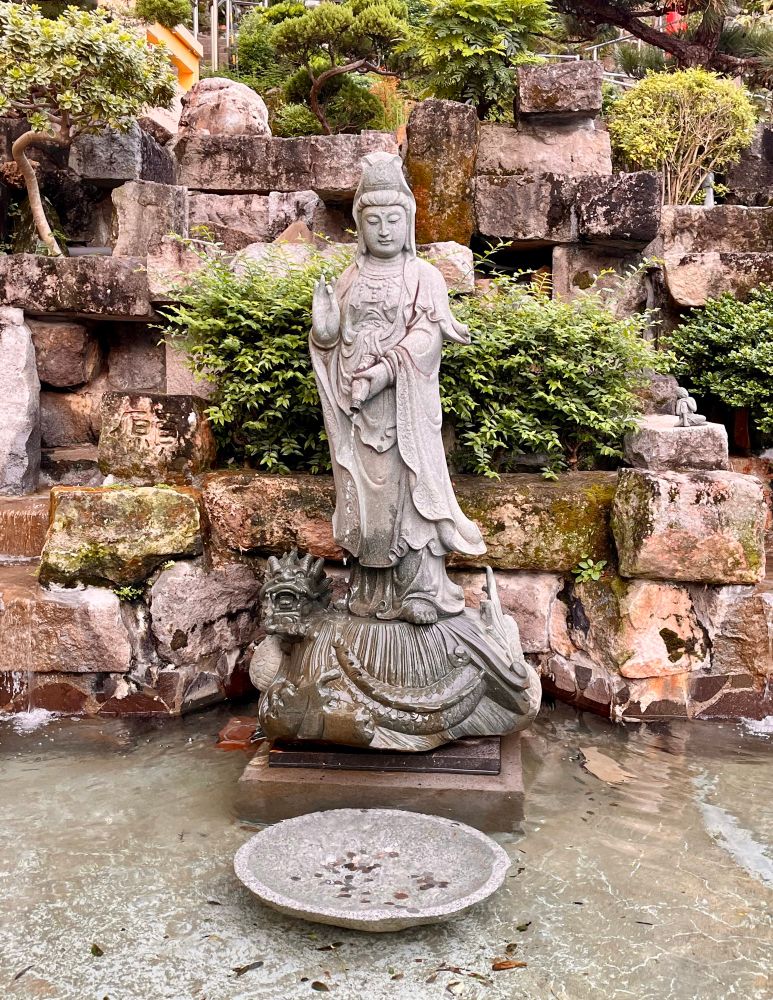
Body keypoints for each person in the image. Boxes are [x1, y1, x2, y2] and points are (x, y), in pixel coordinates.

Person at [310, 152, 485, 625]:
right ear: (359, 226)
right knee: (369, 501)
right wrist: (325, 330)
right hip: (360, 413)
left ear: (407, 223)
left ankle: (422, 589)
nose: (384, 230)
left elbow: (426, 340)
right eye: (373, 221)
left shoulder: (423, 277)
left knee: (412, 498)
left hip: (405, 411)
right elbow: (334, 344)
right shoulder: (350, 278)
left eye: (393, 220)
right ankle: (371, 590)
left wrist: (384, 371)